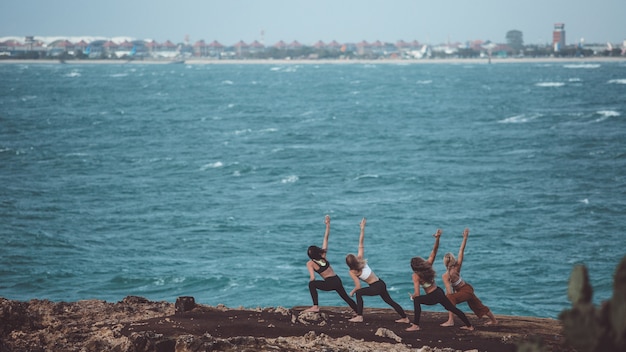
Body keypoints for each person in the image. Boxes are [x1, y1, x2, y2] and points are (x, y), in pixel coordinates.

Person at [406, 229, 474, 332]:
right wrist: (437, 238)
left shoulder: (415, 276)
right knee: (453, 309)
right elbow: (434, 251)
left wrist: (413, 296)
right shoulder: (428, 265)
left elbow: (417, 294)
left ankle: (416, 325)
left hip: (432, 296)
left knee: (416, 300)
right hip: (439, 292)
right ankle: (469, 326)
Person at [345, 218, 409, 323]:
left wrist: (352, 292)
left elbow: (358, 287)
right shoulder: (361, 260)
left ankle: (359, 316)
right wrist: (362, 228)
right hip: (380, 283)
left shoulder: (352, 272)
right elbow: (361, 244)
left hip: (375, 287)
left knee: (358, 293)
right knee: (390, 301)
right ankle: (405, 318)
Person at [440, 228, 498, 326]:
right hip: (468, 288)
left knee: (449, 298)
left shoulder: (446, 275)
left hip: (465, 291)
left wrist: (447, 297)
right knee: (478, 305)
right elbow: (461, 251)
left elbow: (449, 292)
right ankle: (494, 321)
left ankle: (451, 321)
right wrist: (465, 238)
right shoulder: (457, 267)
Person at [304, 215, 358, 314]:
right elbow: (326, 238)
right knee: (345, 297)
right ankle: (359, 312)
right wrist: (328, 225)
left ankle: (315, 306)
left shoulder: (310, 263)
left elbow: (312, 278)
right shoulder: (323, 256)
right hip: (337, 279)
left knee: (311, 284)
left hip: (329, 282)